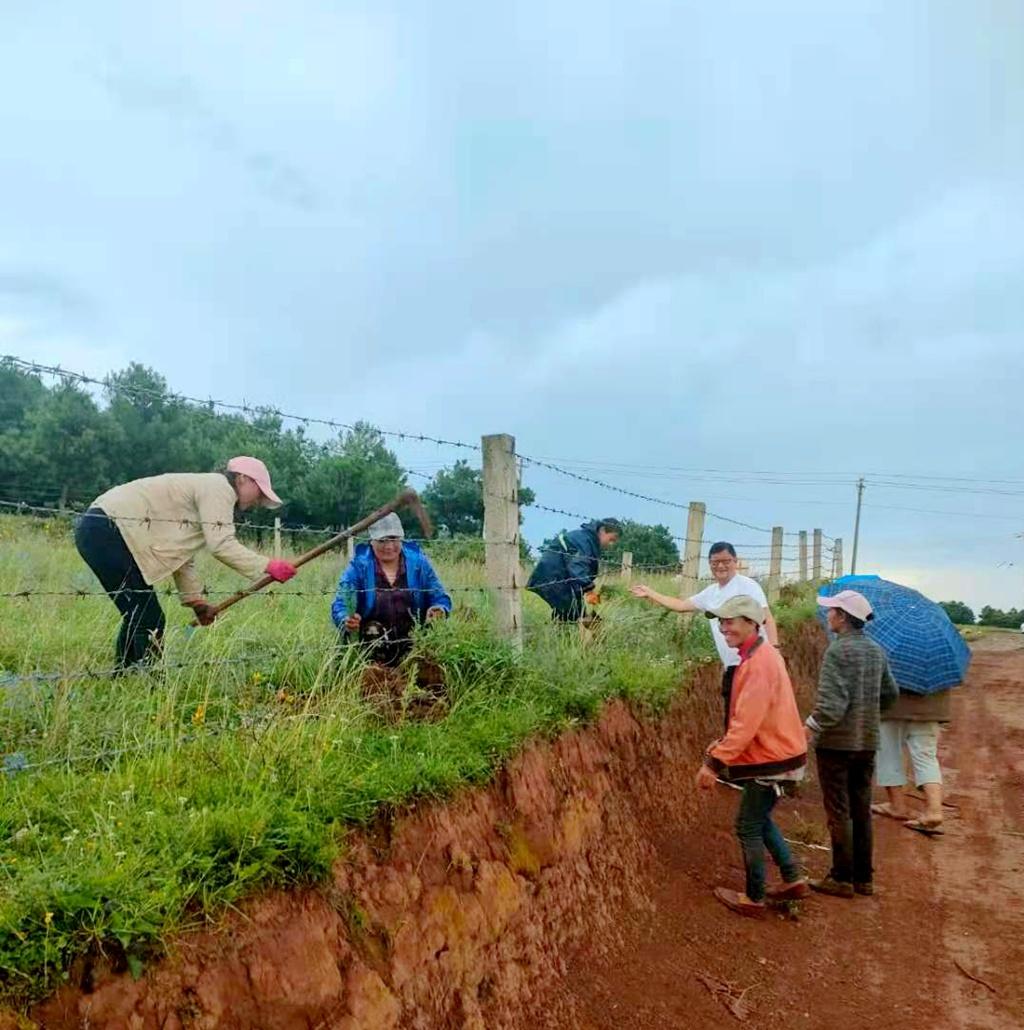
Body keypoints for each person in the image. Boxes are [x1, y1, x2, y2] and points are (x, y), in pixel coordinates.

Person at [74, 457, 296, 669]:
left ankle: (125, 676)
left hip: (102, 529)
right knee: (147, 617)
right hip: (108, 529)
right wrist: (268, 566)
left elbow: (180, 554)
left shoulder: (206, 491)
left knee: (140, 613)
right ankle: (145, 679)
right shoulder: (219, 488)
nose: (258, 501)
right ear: (243, 478)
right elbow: (221, 545)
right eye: (259, 492)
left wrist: (196, 603)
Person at [695, 595, 808, 918]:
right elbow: (752, 720)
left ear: (750, 623)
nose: (723, 627)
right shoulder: (762, 655)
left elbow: (746, 723)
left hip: (772, 759)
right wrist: (724, 743)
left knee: (747, 826)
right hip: (784, 753)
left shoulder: (758, 664)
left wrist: (713, 762)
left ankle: (754, 897)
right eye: (721, 622)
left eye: (729, 622)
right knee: (760, 817)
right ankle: (793, 878)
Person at [805, 590, 899, 897]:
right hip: (866, 743)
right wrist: (868, 715)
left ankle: (841, 878)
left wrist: (810, 727)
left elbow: (831, 706)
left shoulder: (837, 651)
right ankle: (863, 879)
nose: (827, 615)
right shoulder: (876, 651)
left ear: (843, 617)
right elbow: (890, 694)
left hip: (836, 744)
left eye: (831, 611)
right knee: (861, 810)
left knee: (838, 811)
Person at [631, 542, 779, 727]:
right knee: (734, 719)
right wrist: (650, 593)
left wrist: (775, 652)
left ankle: (736, 752)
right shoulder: (711, 593)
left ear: (735, 561)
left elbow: (767, 618)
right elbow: (681, 606)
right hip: (733, 667)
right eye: (715, 562)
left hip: (756, 664)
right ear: (709, 564)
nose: (720, 566)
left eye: (725, 561)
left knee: (755, 721)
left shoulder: (747, 586)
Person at [330, 513, 452, 666]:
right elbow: (340, 603)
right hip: (372, 642)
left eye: (394, 538)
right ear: (371, 541)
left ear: (401, 538)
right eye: (382, 540)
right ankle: (376, 674)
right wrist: (346, 618)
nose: (388, 546)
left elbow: (439, 596)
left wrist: (439, 608)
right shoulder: (359, 566)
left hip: (413, 637)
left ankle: (416, 667)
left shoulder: (419, 563)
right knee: (372, 630)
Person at [872, 685, 952, 837]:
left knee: (888, 754)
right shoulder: (940, 662)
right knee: (926, 757)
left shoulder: (891, 659)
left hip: (891, 706)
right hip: (930, 709)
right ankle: (934, 810)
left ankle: (897, 805)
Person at [527, 518, 622, 621]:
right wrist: (589, 589)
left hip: (558, 578)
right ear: (602, 530)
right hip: (553, 578)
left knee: (569, 613)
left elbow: (575, 570)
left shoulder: (588, 540)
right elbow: (577, 566)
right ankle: (579, 630)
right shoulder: (584, 541)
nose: (611, 544)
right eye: (611, 539)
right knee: (572, 613)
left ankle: (564, 633)